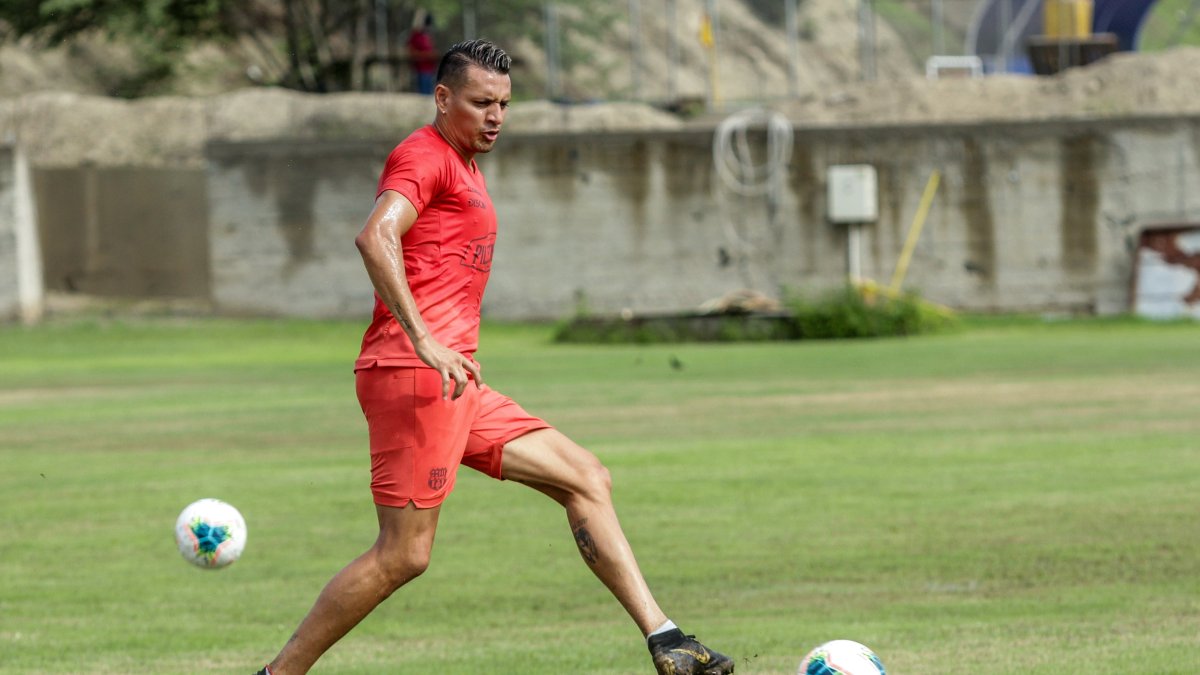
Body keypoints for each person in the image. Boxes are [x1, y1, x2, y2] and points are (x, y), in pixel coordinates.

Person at [254, 39, 734, 675]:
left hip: (455, 384)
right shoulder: (423, 156)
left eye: (505, 104)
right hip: (414, 374)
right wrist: (425, 339)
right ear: (443, 97)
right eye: (481, 102)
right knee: (404, 555)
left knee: (584, 477)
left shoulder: (464, 164)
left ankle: (668, 641)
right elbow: (375, 235)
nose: (495, 116)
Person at [406, 9, 438, 95]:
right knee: (423, 95)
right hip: (421, 69)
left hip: (430, 69)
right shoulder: (415, 36)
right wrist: (426, 55)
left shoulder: (427, 36)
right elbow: (411, 51)